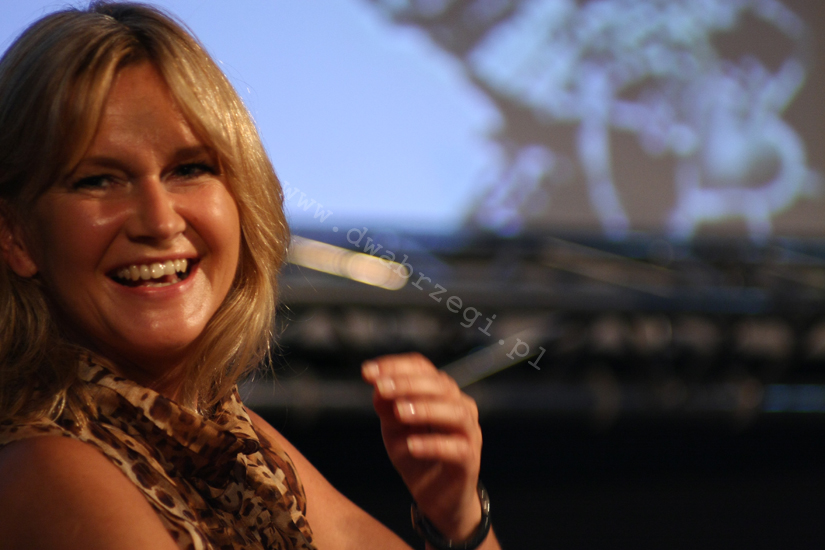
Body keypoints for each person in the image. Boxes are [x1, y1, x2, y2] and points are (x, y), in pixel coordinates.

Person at [0, 2, 501, 549]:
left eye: (190, 169)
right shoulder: (48, 467)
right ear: (15, 236)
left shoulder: (225, 433)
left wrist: (457, 517)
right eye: (98, 180)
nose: (160, 221)